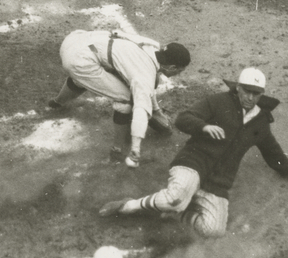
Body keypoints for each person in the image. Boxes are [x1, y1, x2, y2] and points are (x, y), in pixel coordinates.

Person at [99, 67, 288, 236]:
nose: (250, 97)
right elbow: (182, 119)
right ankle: (128, 206)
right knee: (175, 197)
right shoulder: (218, 102)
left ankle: (179, 215)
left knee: (214, 231)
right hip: (193, 163)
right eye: (247, 91)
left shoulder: (260, 123)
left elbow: (272, 151)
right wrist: (203, 126)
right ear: (238, 87)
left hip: (217, 182)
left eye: (256, 93)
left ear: (261, 95)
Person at [48, 29, 190, 168]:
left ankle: (55, 103)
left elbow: (118, 33)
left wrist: (157, 111)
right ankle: (117, 151)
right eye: (179, 70)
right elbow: (141, 111)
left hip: (78, 40)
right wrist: (135, 147)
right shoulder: (144, 75)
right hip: (78, 60)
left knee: (91, 74)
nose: (178, 74)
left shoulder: (151, 45)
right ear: (171, 67)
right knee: (126, 100)